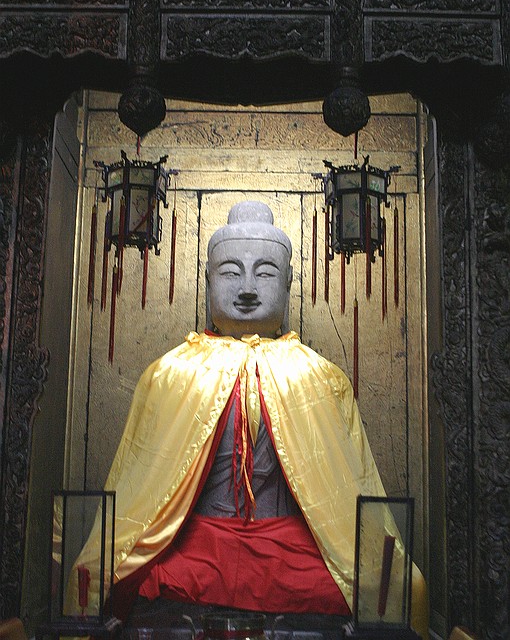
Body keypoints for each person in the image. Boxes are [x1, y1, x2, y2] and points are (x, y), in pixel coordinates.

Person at [70, 201, 428, 638]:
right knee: (128, 575)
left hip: (288, 541)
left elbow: (347, 489)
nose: (246, 289)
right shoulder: (169, 374)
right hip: (198, 539)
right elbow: (138, 490)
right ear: (207, 281)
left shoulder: (318, 377)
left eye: (265, 273)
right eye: (229, 272)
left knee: (387, 586)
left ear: (289, 282)